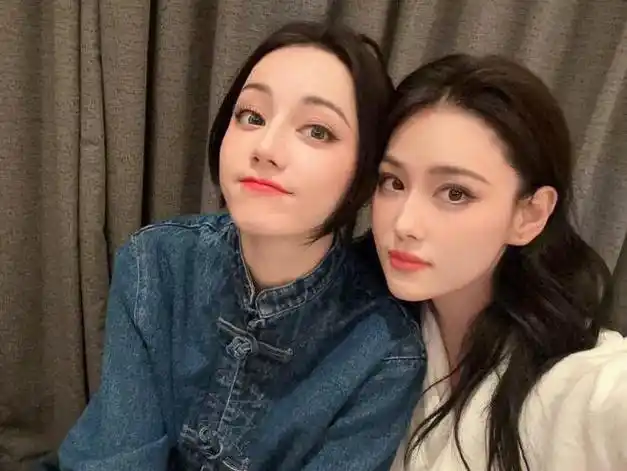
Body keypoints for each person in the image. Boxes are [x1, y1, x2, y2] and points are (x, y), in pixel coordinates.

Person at [41, 21, 426, 471]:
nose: (266, 148)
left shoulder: (384, 348)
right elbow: (117, 456)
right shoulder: (156, 262)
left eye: (317, 131)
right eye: (252, 117)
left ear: (367, 171)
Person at [369, 53, 627, 470]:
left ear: (529, 215)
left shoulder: (582, 380)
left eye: (455, 193)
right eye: (393, 182)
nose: (404, 224)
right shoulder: (370, 328)